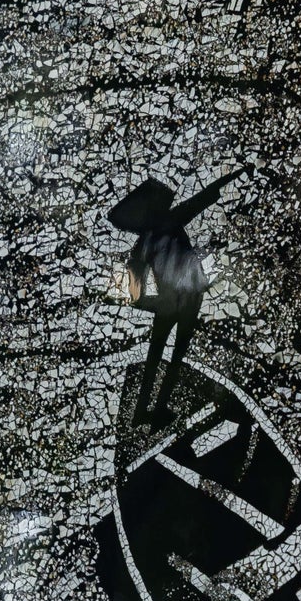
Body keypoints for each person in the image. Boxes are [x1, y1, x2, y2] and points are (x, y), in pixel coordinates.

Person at [107, 168, 244, 421]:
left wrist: (152, 302)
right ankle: (151, 411)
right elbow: (202, 198)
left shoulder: (144, 243)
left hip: (175, 302)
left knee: (159, 355)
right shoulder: (169, 222)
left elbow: (134, 292)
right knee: (171, 355)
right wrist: (233, 176)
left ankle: (148, 411)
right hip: (186, 299)